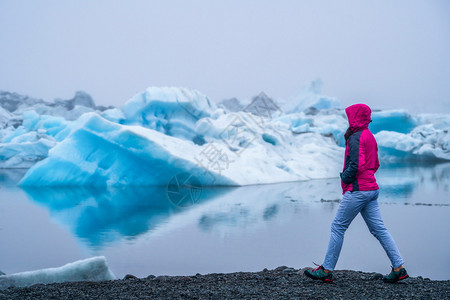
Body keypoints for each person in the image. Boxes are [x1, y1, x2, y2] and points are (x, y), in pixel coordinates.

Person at [304, 103, 408, 283]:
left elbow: (356, 164)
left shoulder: (356, 137)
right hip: (371, 189)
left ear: (356, 117)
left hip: (358, 190)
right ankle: (398, 268)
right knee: (379, 229)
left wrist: (345, 178)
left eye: (350, 116)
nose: (348, 119)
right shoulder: (370, 136)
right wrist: (364, 178)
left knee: (338, 227)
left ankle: (326, 270)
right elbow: (375, 164)